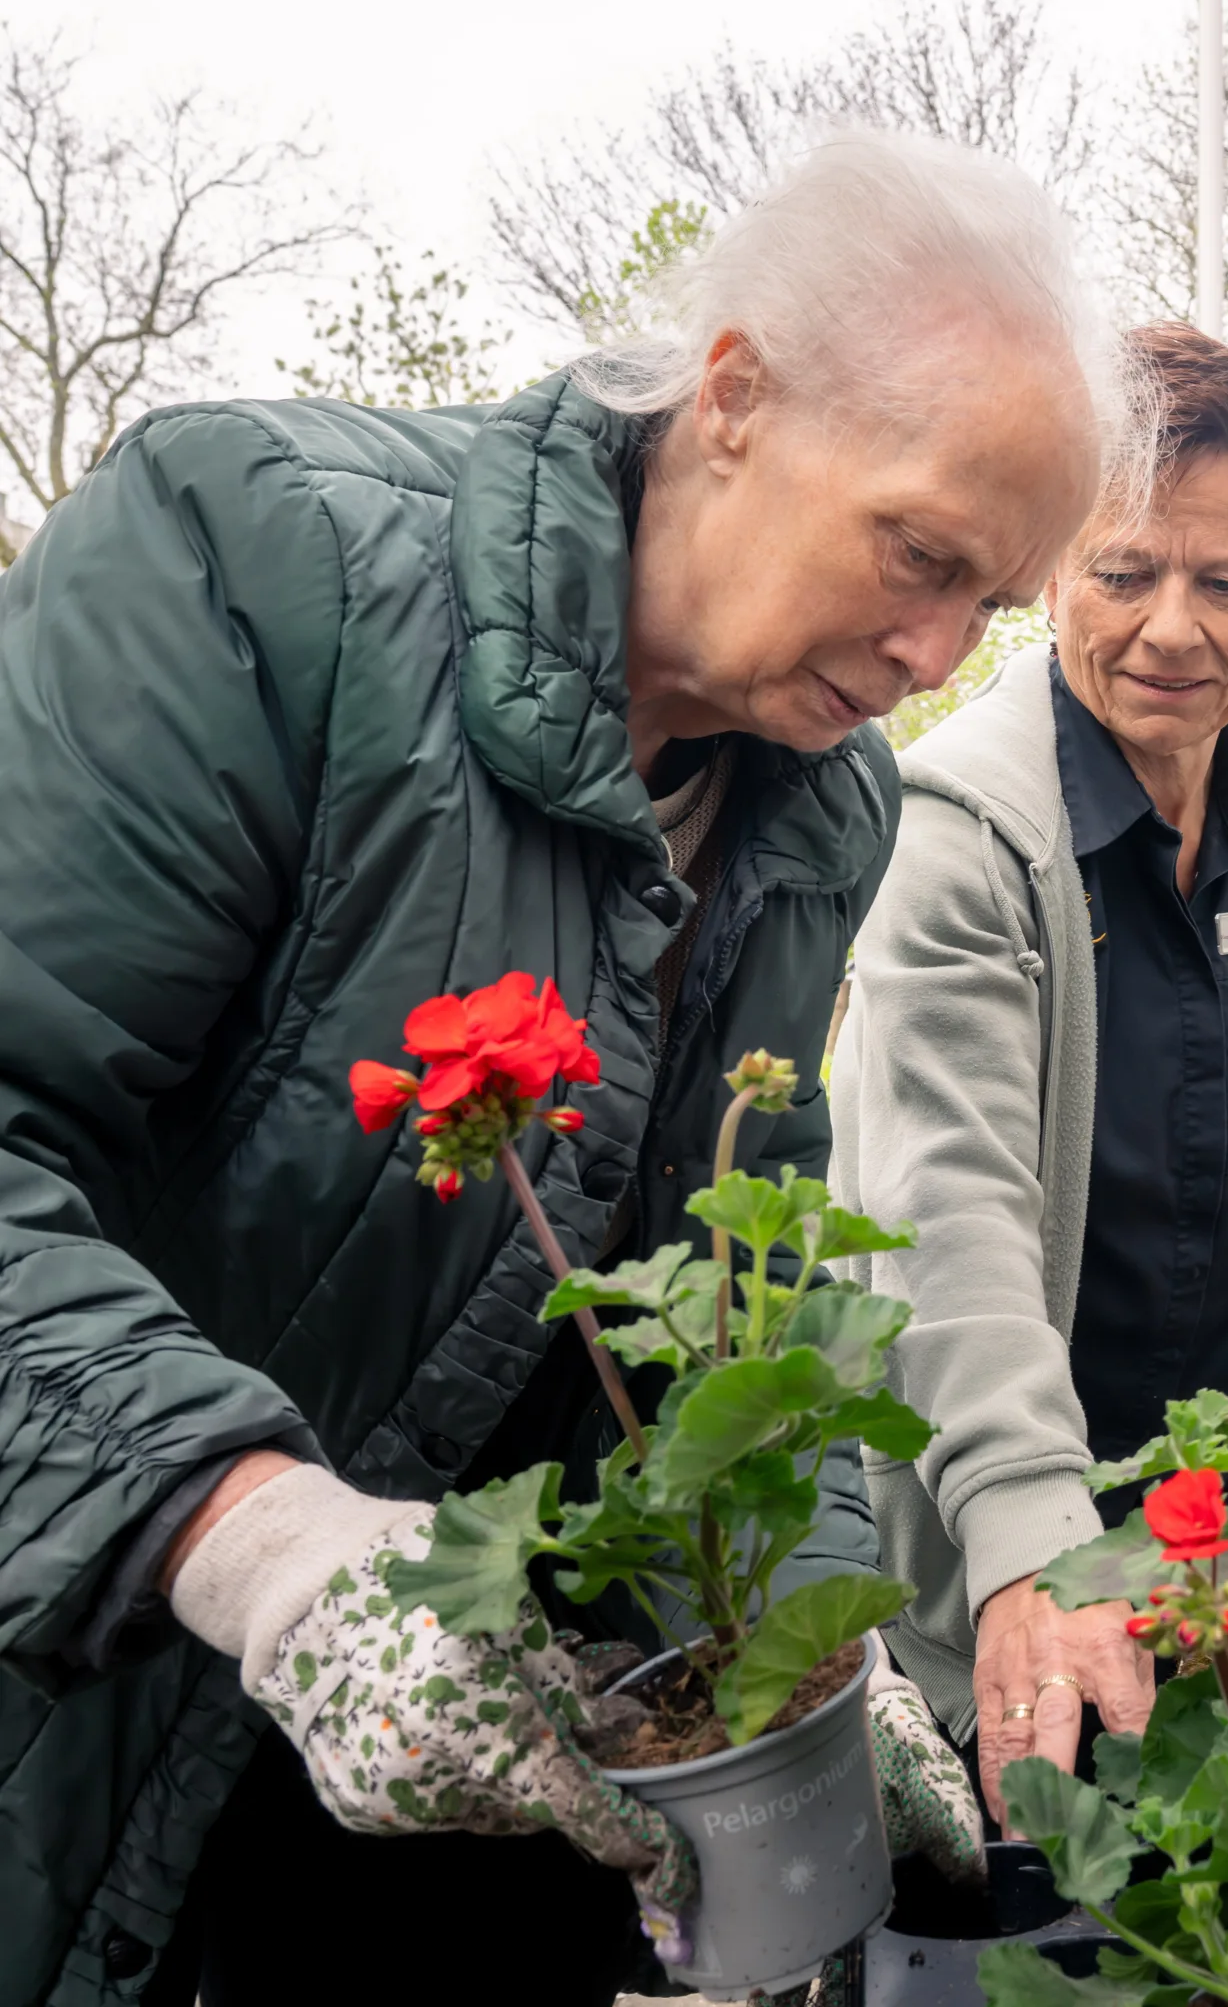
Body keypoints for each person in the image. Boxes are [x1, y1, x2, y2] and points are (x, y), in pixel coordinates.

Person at [0, 127, 1137, 2007]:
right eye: (921, 554)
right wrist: (262, 1545)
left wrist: (807, 1656)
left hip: (475, 1779)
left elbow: (711, 1319)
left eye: (989, 610)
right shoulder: (256, 562)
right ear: (738, 395)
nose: (937, 654)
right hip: (91, 1695)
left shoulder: (818, 810)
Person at [829, 323, 1228, 1813]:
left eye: (1227, 582)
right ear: (1054, 566)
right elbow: (951, 1220)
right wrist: (1034, 1544)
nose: (1171, 627)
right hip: (1025, 1532)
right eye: (1124, 571)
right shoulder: (958, 841)